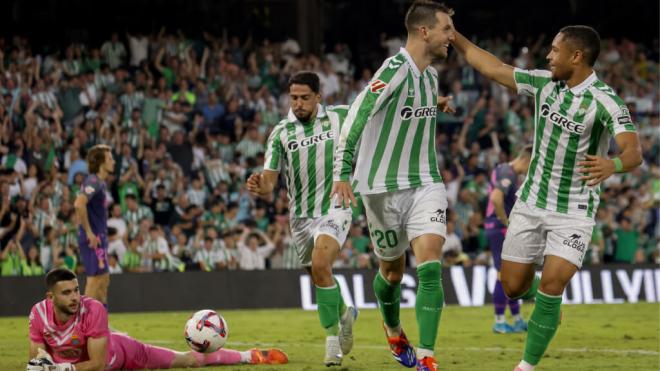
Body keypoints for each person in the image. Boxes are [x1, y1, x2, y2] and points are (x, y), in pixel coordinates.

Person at [451, 25, 642, 371]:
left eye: (555, 50)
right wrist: (455, 37)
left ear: (577, 56)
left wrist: (612, 163)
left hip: (574, 210)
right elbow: (494, 68)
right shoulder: (544, 84)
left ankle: (526, 365)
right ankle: (543, 299)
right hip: (531, 202)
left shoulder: (604, 100)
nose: (549, 56)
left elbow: (633, 151)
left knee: (555, 283)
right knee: (511, 287)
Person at [331, 2, 455, 370]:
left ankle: (427, 357)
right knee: (393, 273)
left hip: (425, 182)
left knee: (430, 266)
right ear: (423, 32)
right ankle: (392, 326)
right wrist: (342, 171)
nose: (452, 37)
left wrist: (438, 101)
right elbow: (357, 114)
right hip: (381, 188)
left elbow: (416, 101)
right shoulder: (393, 70)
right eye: (446, 29)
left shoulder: (429, 77)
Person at [246, 71, 358, 366]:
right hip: (300, 218)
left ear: (318, 97)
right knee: (319, 276)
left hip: (336, 205)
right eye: (294, 97)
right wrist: (261, 186)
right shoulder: (281, 133)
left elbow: (378, 106)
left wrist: (432, 100)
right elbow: (270, 182)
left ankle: (332, 342)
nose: (298, 103)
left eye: (305, 97)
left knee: (322, 265)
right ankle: (346, 313)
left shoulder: (340, 116)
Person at [26, 268, 288, 371]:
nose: (75, 297)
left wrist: (61, 368)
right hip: (85, 356)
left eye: (76, 290)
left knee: (186, 361)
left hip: (122, 353)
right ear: (50, 297)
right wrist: (41, 363)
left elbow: (98, 363)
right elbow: (36, 356)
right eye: (67, 293)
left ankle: (249, 356)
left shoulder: (92, 309)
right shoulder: (37, 314)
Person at [485, 145, 532, 333]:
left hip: (495, 228)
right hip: (498, 228)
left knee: (512, 275)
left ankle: (517, 318)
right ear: (525, 160)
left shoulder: (502, 169)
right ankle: (499, 321)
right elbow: (496, 199)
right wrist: (506, 222)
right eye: (531, 165)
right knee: (503, 275)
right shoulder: (509, 173)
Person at [74, 144, 115, 311]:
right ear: (101, 162)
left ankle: (101, 322)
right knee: (94, 280)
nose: (113, 161)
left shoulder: (100, 183)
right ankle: (81, 325)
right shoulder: (93, 181)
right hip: (93, 239)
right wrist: (89, 232)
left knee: (103, 279)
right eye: (110, 158)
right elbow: (79, 204)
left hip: (100, 239)